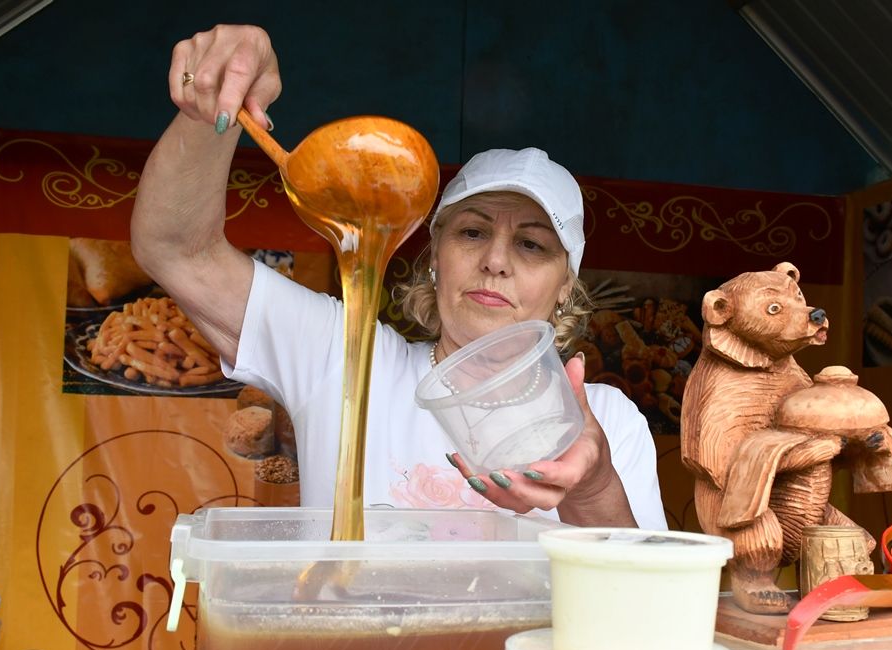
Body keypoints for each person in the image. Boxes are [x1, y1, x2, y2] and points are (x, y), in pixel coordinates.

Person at [130, 24, 666, 529]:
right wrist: (215, 103)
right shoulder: (345, 358)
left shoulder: (607, 422)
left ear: (566, 285)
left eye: (531, 244)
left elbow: (655, 615)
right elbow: (178, 250)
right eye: (473, 233)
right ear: (435, 257)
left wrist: (593, 487)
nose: (496, 261)